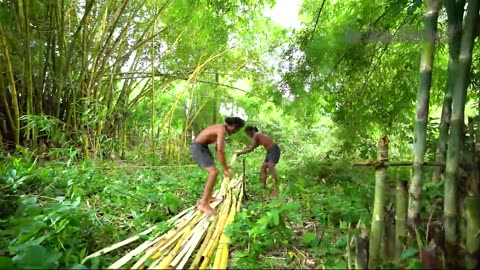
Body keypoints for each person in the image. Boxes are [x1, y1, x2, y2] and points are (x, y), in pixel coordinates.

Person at [190, 117, 245, 215]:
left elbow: (217, 148)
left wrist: (225, 166)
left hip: (203, 147)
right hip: (198, 147)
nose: (235, 132)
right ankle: (204, 204)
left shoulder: (221, 129)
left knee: (214, 172)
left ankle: (209, 197)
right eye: (236, 129)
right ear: (232, 125)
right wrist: (225, 169)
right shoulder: (222, 130)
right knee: (213, 172)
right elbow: (220, 150)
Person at [235, 126, 281, 195]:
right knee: (263, 167)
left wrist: (240, 152)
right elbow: (252, 147)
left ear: (252, 131)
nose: (248, 135)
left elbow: (251, 149)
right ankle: (263, 186)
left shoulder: (257, 134)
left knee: (270, 165)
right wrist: (244, 150)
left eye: (248, 133)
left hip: (274, 149)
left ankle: (276, 187)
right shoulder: (258, 136)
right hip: (269, 151)